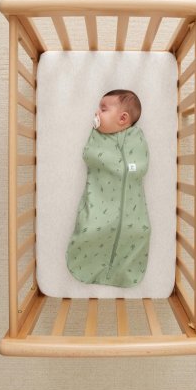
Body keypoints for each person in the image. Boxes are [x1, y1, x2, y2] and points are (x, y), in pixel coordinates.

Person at [65, 89, 152, 287]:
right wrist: (114, 165)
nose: (97, 113)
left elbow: (142, 163)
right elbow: (89, 155)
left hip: (133, 210)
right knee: (91, 228)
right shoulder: (97, 136)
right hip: (100, 200)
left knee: (141, 231)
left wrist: (128, 169)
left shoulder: (136, 136)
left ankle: (123, 271)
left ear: (122, 118)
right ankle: (88, 266)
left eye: (103, 109)